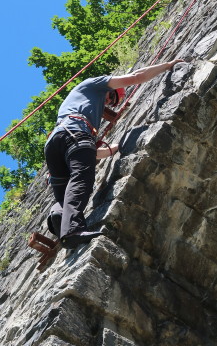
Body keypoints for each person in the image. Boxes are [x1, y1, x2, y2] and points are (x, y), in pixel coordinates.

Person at [45, 59, 183, 248]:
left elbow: (89, 154)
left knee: (66, 193)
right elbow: (137, 76)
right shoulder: (94, 85)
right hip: (75, 134)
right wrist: (167, 65)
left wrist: (116, 148)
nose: (109, 103)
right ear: (109, 89)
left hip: (56, 144)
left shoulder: (77, 104)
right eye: (111, 98)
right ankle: (72, 230)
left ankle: (59, 215)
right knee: (82, 177)